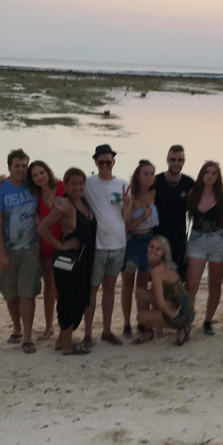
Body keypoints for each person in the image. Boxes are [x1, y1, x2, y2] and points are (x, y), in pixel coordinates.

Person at [37, 167, 96, 356]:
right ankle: (68, 346)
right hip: (69, 260)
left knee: (80, 298)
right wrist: (60, 246)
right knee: (69, 300)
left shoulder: (83, 202)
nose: (77, 187)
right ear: (66, 184)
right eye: (73, 184)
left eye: (80, 184)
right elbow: (42, 228)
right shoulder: (64, 205)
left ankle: (61, 341)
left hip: (84, 259)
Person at [0, 148, 41, 354]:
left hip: (31, 248)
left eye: (24, 166)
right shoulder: (1, 191)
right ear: (9, 167)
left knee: (27, 293)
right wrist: (1, 254)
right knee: (10, 294)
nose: (21, 170)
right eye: (17, 166)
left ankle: (28, 336)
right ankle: (17, 328)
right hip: (8, 250)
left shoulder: (33, 186)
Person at [83, 144, 128, 346]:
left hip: (118, 245)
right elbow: (67, 189)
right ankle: (87, 334)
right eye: (100, 162)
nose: (104, 165)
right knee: (92, 290)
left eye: (108, 162)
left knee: (110, 289)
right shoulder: (87, 183)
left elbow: (126, 217)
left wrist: (128, 204)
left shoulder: (123, 184)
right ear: (95, 162)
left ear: (113, 162)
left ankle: (107, 331)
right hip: (97, 246)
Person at [185, 161, 223, 335]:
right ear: (202, 175)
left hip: (218, 240)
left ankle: (208, 322)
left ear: (218, 177)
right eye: (207, 172)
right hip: (196, 240)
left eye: (214, 173)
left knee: (215, 284)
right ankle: (187, 320)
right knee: (191, 284)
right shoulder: (192, 194)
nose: (210, 175)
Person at [27, 160, 66, 341]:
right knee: (48, 285)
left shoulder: (61, 187)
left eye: (41, 173)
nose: (39, 177)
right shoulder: (35, 194)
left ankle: (65, 323)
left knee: (61, 286)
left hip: (62, 242)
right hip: (44, 244)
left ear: (48, 172)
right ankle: (49, 326)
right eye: (35, 175)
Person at [121, 160, 159, 339]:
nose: (150, 177)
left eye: (152, 173)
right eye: (146, 173)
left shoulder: (155, 193)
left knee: (142, 286)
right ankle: (127, 323)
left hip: (149, 242)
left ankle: (142, 322)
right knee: (127, 286)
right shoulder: (131, 196)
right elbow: (125, 225)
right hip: (133, 242)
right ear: (138, 176)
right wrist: (141, 216)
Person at [135, 236, 194, 345]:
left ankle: (181, 327)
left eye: (158, 249)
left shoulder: (157, 271)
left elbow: (161, 304)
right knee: (140, 292)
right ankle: (148, 332)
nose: (153, 251)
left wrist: (173, 315)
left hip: (181, 312)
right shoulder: (160, 266)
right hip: (179, 305)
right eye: (151, 247)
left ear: (163, 253)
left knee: (140, 317)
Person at [154, 145, 194, 279]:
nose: (176, 163)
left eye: (179, 160)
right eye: (173, 159)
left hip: (179, 240)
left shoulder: (188, 183)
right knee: (156, 281)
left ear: (184, 161)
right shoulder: (156, 181)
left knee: (177, 281)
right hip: (158, 239)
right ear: (167, 160)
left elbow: (201, 206)